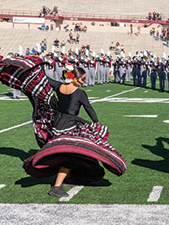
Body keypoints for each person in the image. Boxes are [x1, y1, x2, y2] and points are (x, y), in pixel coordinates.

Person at [0, 56, 126, 198]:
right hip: (69, 125)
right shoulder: (80, 93)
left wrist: (34, 71)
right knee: (71, 155)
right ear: (74, 78)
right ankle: (56, 187)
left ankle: (70, 176)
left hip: (57, 123)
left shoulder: (60, 87)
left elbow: (45, 80)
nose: (83, 82)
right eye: (82, 79)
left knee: (73, 152)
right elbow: (89, 108)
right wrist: (96, 122)